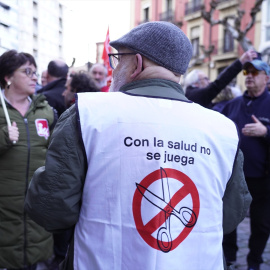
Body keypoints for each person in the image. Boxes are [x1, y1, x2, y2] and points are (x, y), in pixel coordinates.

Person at [25, 21, 251, 270]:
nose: (116, 66)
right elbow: (231, 214)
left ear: (137, 63)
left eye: (119, 59)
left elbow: (51, 208)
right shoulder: (221, 128)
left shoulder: (89, 113)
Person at [0, 50, 57, 269]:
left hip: (37, 210)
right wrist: (4, 137)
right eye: (27, 72)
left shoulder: (46, 111)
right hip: (4, 211)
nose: (35, 77)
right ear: (8, 77)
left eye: (35, 72)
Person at [222, 59, 270, 270]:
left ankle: (254, 263)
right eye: (246, 71)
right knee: (229, 219)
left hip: (264, 179)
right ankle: (230, 258)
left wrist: (266, 132)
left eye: (255, 72)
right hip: (234, 177)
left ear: (267, 78)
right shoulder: (233, 105)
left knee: (261, 224)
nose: (249, 75)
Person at [183, 50, 258, 108]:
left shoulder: (190, 94)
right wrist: (240, 62)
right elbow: (218, 84)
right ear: (195, 83)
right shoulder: (196, 94)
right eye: (205, 79)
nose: (209, 82)